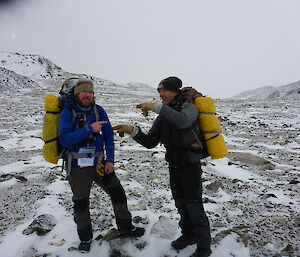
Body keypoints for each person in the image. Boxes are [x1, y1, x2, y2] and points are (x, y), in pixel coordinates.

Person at [113, 76, 212, 257]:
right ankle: (188, 235)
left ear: (175, 91)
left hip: (190, 165)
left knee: (194, 206)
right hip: (174, 165)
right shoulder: (163, 116)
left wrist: (158, 108)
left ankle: (204, 246)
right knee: (181, 204)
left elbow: (183, 121)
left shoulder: (189, 108)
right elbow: (151, 142)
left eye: (164, 90)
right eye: (159, 92)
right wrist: (132, 130)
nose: (161, 95)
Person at [59, 77, 145, 253]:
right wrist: (90, 129)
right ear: (76, 93)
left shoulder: (99, 111)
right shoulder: (67, 113)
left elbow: (108, 137)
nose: (88, 95)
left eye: (90, 92)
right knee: (81, 203)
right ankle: (85, 238)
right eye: (84, 91)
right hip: (78, 166)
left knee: (118, 193)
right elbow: (65, 140)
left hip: (99, 163)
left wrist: (111, 161)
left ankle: (125, 227)